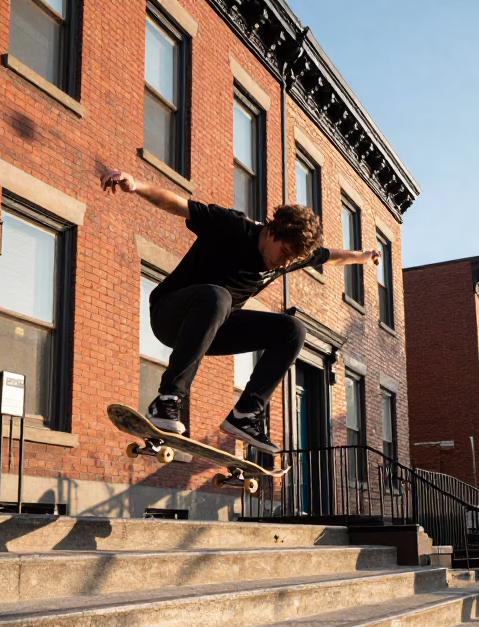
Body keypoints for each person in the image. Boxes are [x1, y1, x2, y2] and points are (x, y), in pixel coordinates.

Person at [101, 169, 380, 454]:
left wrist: (363, 256)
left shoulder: (291, 255)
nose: (284, 264)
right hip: (170, 314)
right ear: (271, 232)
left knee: (293, 330)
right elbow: (177, 204)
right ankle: (167, 398)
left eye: (293, 259)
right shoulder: (233, 226)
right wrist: (135, 186)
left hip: (214, 328)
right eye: (283, 252)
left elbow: (330, 256)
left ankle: (244, 415)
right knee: (218, 296)